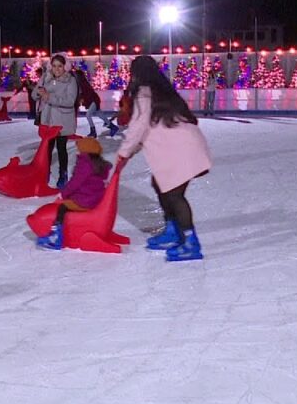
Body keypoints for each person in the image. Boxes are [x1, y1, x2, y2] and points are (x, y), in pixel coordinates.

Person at [117, 55, 212, 262]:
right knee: (161, 185)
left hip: (182, 150)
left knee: (174, 194)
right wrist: (131, 150)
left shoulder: (144, 95)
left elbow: (138, 127)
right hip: (185, 146)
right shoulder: (161, 92)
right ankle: (172, 230)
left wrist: (123, 152)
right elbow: (151, 127)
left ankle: (190, 242)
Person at [36, 137, 111, 250]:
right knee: (67, 203)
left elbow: (75, 182)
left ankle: (56, 238)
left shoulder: (85, 163)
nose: (77, 151)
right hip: (94, 198)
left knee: (62, 207)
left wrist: (63, 194)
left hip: (85, 200)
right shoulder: (99, 164)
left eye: (79, 149)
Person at [33, 55, 78, 188]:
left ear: (65, 66)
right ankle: (44, 172)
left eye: (60, 66)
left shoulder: (70, 80)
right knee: (47, 149)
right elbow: (34, 95)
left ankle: (63, 174)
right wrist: (38, 91)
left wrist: (49, 97)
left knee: (61, 149)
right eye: (54, 66)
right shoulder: (47, 78)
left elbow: (70, 101)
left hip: (62, 121)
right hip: (48, 120)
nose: (57, 69)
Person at [74, 69, 101, 138]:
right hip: (93, 100)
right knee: (101, 115)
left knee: (88, 115)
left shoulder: (83, 83)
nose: (75, 77)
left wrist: (81, 99)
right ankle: (112, 126)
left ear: (79, 76)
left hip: (94, 100)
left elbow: (87, 94)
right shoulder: (80, 84)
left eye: (76, 75)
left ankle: (93, 131)